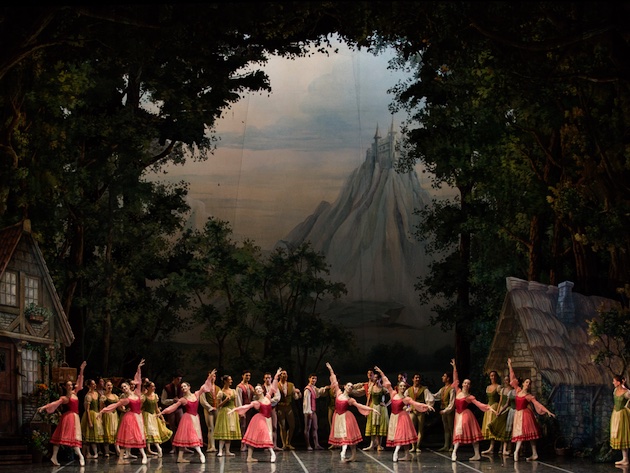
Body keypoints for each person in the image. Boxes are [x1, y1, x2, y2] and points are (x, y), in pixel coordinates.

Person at [375, 366, 434, 462]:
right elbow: (388, 383)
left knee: (400, 436)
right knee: (403, 437)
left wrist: (427, 406)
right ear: (398, 387)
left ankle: (396, 452)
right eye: (401, 386)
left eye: (404, 386)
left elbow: (416, 403)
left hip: (402, 417)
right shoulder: (393, 394)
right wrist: (381, 373)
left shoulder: (406, 398)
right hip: (394, 417)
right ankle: (407, 455)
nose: (403, 387)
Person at [326, 362, 381, 462]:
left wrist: (372, 409)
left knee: (349, 437)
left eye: (352, 387)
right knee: (342, 435)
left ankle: (352, 454)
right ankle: (344, 450)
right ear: (345, 387)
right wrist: (330, 369)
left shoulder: (350, 400)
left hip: (346, 418)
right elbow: (334, 379)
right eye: (349, 385)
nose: (350, 387)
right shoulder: (338, 393)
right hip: (338, 417)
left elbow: (360, 406)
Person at [160, 370, 216, 464]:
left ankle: (180, 458)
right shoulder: (183, 399)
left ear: (189, 387)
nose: (183, 388)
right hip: (188, 419)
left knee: (187, 438)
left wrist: (210, 377)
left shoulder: (196, 394)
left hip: (195, 418)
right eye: (182, 387)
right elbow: (173, 407)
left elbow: (204, 387)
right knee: (188, 437)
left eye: (184, 386)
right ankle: (200, 453)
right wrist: (162, 412)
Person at [99, 359, 148, 464]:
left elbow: (138, 381)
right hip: (130, 418)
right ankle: (131, 457)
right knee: (129, 437)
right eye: (122, 388)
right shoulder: (125, 399)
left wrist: (138, 368)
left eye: (125, 386)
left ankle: (136, 456)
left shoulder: (137, 393)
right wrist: (102, 411)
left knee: (138, 436)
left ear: (129, 386)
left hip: (138, 417)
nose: (124, 388)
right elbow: (115, 405)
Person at [38, 361, 87, 466]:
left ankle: (77, 456)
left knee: (70, 437)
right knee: (63, 437)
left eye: (71, 385)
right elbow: (54, 403)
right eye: (68, 385)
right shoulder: (64, 398)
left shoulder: (75, 393)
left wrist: (82, 369)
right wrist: (44, 407)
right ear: (65, 387)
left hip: (74, 417)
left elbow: (80, 381)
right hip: (69, 418)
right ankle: (59, 457)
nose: (70, 386)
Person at [228, 368, 283, 462]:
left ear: (262, 390)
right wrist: (235, 409)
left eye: (259, 389)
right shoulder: (256, 402)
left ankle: (249, 457)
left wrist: (276, 376)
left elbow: (273, 388)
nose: (258, 390)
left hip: (267, 419)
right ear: (255, 393)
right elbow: (246, 406)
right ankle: (272, 454)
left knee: (260, 437)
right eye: (256, 389)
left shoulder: (268, 397)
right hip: (260, 420)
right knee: (263, 436)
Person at [508, 358, 555, 461]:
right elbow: (513, 378)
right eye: (527, 382)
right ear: (523, 383)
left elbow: (538, 404)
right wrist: (510, 365)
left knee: (530, 435)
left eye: (529, 383)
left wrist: (547, 411)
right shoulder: (518, 390)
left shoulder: (529, 396)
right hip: (518, 415)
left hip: (525, 415)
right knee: (520, 433)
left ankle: (532, 454)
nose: (528, 384)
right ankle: (518, 451)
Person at [450, 359, 496, 462]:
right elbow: (455, 379)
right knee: (460, 433)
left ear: (469, 386)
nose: (466, 384)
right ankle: (455, 452)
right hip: (458, 415)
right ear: (462, 384)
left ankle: (475, 454)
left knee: (467, 433)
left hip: (465, 415)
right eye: (465, 383)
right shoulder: (458, 391)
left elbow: (479, 404)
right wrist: (454, 368)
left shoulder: (469, 397)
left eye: (468, 383)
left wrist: (489, 408)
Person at [404, 373, 434, 452]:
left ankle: (417, 446)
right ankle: (413, 446)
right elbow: (405, 400)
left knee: (420, 429)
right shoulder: (409, 390)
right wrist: (408, 408)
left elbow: (430, 399)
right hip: (412, 410)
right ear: (413, 379)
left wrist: (427, 407)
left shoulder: (424, 389)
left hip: (420, 411)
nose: (417, 379)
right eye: (416, 378)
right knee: (412, 429)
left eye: (418, 378)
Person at [142, 380, 172, 457]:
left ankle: (158, 448)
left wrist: (162, 417)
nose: (154, 387)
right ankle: (149, 450)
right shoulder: (144, 397)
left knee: (154, 432)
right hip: (146, 416)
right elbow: (140, 408)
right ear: (148, 388)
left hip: (154, 416)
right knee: (148, 432)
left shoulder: (155, 396)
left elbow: (156, 408)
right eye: (152, 386)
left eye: (154, 386)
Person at [487, 374, 515, 456]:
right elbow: (500, 401)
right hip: (502, 408)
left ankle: (508, 448)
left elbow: (509, 403)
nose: (506, 382)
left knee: (508, 428)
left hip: (509, 410)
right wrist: (498, 410)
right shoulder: (502, 390)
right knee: (501, 427)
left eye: (508, 380)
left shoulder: (512, 391)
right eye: (505, 380)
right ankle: (501, 447)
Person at [214, 374, 241, 456]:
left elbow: (235, 404)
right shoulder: (221, 392)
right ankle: (220, 451)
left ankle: (228, 451)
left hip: (232, 412)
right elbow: (217, 405)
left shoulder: (233, 391)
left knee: (229, 431)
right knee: (224, 431)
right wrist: (225, 400)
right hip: (224, 412)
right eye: (229, 380)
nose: (231, 381)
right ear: (225, 381)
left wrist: (237, 412)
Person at [362, 370, 389, 451]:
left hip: (381, 409)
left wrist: (386, 404)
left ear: (380, 379)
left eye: (377, 378)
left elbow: (392, 395)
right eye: (375, 378)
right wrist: (366, 410)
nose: (376, 379)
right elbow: (368, 399)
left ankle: (379, 445)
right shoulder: (371, 388)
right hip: (373, 407)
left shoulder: (383, 388)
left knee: (379, 426)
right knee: (372, 425)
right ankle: (372, 444)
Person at [277, 369, 301, 450]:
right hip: (280, 407)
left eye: (286, 374)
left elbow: (295, 397)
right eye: (283, 374)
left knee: (292, 425)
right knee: (282, 426)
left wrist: (299, 393)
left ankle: (288, 442)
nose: (285, 375)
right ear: (280, 376)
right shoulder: (276, 385)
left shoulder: (291, 385)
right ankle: (284, 444)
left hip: (288, 407)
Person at [302, 373, 328, 450]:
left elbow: (318, 392)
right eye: (312, 378)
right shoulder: (307, 389)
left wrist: (326, 388)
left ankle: (316, 444)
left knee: (315, 427)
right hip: (308, 411)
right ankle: (308, 445)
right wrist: (309, 412)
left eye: (315, 379)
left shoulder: (313, 388)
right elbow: (306, 402)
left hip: (313, 410)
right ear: (309, 379)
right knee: (307, 428)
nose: (314, 380)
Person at [81, 378, 104, 459]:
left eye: (94, 384)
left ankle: (95, 452)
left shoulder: (96, 394)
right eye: (92, 384)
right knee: (88, 435)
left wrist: (100, 415)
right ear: (89, 386)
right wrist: (90, 421)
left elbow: (99, 405)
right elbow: (87, 409)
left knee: (94, 435)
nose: (94, 385)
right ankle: (88, 453)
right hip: (90, 415)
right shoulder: (88, 396)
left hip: (96, 414)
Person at [433, 370, 455, 452]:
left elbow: (452, 402)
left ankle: (452, 445)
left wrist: (446, 410)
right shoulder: (442, 389)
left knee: (451, 428)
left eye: (444, 376)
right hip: (443, 410)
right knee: (446, 428)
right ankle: (446, 445)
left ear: (448, 378)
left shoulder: (452, 389)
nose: (442, 377)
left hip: (449, 411)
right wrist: (427, 393)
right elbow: (436, 396)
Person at [161, 372, 183, 452]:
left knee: (182, 426)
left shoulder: (182, 387)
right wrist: (172, 400)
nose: (179, 381)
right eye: (177, 379)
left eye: (180, 379)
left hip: (179, 408)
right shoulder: (167, 387)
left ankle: (183, 446)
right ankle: (173, 447)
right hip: (171, 408)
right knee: (172, 427)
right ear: (174, 379)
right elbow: (163, 400)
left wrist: (180, 400)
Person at [610, 374, 630, 465]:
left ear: (618, 382)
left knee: (623, 434)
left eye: (614, 381)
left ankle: (626, 459)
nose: (613, 382)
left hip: (623, 415)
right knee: (619, 435)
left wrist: (627, 408)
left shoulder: (627, 392)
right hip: (616, 415)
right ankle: (624, 458)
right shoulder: (615, 391)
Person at [480, 370, 501, 454]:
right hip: (489, 407)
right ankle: (491, 447)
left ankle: (496, 447)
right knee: (488, 426)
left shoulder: (499, 387)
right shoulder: (488, 387)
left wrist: (498, 409)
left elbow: (501, 399)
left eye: (494, 375)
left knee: (494, 426)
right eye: (491, 375)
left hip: (495, 407)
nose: (493, 377)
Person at [199, 369, 221, 452]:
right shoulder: (204, 387)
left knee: (216, 428)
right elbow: (202, 400)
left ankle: (212, 445)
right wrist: (209, 407)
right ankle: (211, 446)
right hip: (209, 409)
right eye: (211, 376)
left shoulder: (218, 388)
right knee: (210, 427)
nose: (213, 378)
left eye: (214, 376)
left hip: (217, 409)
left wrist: (219, 407)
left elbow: (220, 399)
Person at [100, 379, 121, 457]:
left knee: (115, 432)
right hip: (107, 416)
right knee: (107, 432)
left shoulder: (115, 396)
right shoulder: (103, 397)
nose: (110, 386)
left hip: (114, 416)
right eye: (108, 385)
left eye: (111, 385)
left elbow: (119, 407)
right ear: (105, 387)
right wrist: (100, 418)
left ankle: (117, 450)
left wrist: (125, 410)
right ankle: (107, 451)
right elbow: (101, 408)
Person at [236, 369, 256, 451]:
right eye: (246, 375)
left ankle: (248, 443)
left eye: (249, 376)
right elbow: (238, 399)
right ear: (243, 376)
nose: (248, 377)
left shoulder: (251, 387)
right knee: (243, 426)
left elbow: (254, 397)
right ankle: (243, 444)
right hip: (244, 408)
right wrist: (241, 411)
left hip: (250, 409)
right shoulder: (239, 387)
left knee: (249, 426)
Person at [262, 371, 282, 450]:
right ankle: (266, 445)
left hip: (272, 408)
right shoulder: (262, 388)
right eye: (266, 378)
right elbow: (258, 398)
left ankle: (274, 445)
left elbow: (277, 398)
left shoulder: (274, 387)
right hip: (264, 410)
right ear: (264, 379)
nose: (268, 379)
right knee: (266, 428)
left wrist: (268, 401)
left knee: (274, 426)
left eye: (269, 378)